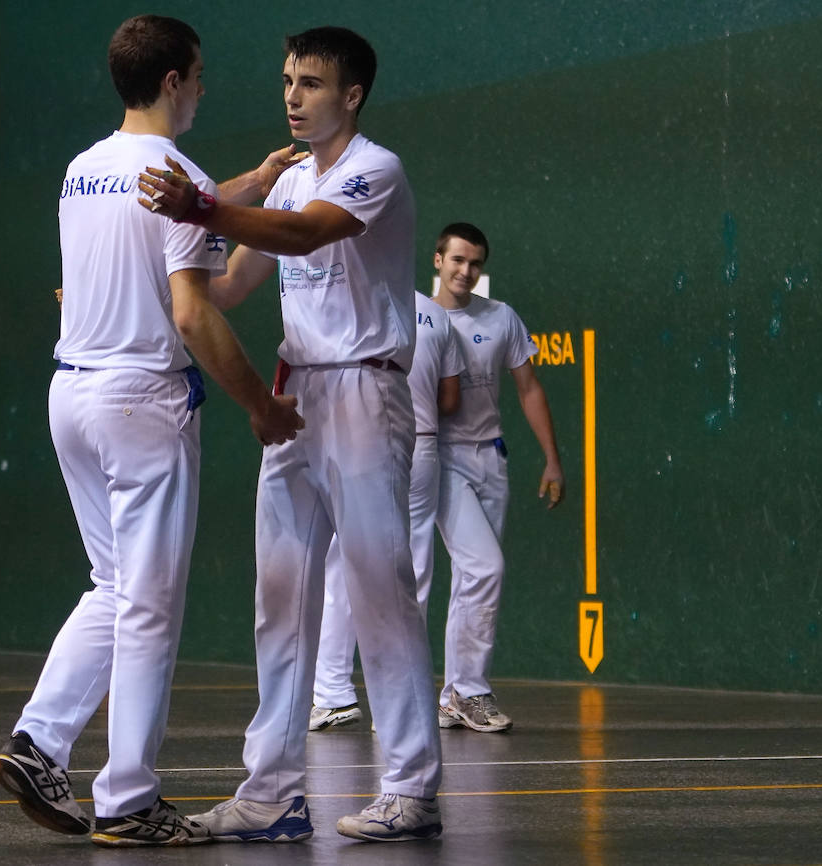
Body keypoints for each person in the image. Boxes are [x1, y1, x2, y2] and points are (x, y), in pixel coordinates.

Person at [0, 15, 302, 849]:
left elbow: (168, 208)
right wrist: (259, 406)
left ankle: (38, 743)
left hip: (73, 398)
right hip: (141, 404)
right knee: (151, 607)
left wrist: (255, 180)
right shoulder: (177, 170)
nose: (203, 88)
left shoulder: (83, 169)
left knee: (115, 587)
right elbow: (196, 312)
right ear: (173, 81)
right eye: (198, 75)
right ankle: (128, 800)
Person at [140, 25, 445, 843]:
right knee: (278, 595)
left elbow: (307, 233)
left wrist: (204, 203)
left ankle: (411, 789)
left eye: (310, 83)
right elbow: (233, 285)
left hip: (365, 395)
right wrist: (144, 265)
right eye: (286, 81)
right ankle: (271, 792)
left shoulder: (374, 170)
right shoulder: (283, 182)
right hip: (294, 397)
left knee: (380, 588)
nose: (292, 96)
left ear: (351, 95)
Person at [431, 222, 564, 733]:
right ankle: (471, 690)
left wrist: (552, 459)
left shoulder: (501, 317)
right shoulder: (418, 318)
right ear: (438, 260)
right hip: (441, 460)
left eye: (476, 263)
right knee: (485, 567)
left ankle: (453, 695)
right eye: (458, 260)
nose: (467, 271)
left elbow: (529, 389)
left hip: (493, 460)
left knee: (474, 577)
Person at [309, 290, 463, 730]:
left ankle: (332, 692)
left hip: (362, 436)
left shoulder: (354, 301)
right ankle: (400, 707)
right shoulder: (436, 315)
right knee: (411, 569)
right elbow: (449, 399)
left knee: (343, 564)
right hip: (422, 442)